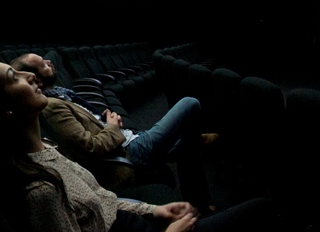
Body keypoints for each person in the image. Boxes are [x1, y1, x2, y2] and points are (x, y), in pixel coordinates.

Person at [0, 62, 273, 232]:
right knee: (261, 212)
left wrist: (154, 211)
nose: (31, 75)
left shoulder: (44, 148)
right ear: (5, 109)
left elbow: (104, 200)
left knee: (241, 227)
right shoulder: (39, 188)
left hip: (139, 231)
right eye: (15, 76)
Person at [12, 53, 212, 207]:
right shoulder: (50, 107)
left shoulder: (61, 94)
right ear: (35, 78)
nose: (49, 61)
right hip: (128, 151)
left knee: (187, 143)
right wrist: (112, 127)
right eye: (43, 64)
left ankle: (197, 190)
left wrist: (106, 123)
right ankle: (192, 142)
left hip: (126, 138)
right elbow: (88, 147)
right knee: (190, 103)